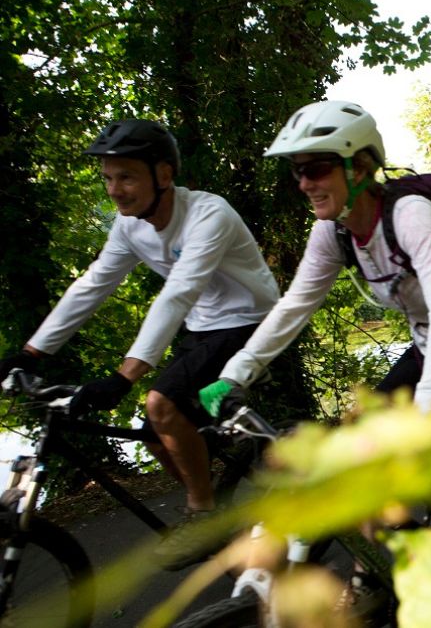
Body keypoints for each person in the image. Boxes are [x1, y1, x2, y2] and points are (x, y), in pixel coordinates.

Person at [200, 100, 431, 534]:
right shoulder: (333, 230)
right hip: (429, 348)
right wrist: (236, 373)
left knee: (430, 478)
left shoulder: (412, 215)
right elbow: (296, 304)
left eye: (315, 169)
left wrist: (428, 412)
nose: (304, 183)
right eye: (297, 171)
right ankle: (373, 577)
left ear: (357, 167)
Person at [0, 119, 280, 569]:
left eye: (126, 176)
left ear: (164, 174)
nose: (114, 189)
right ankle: (205, 500)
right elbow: (93, 284)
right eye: (108, 177)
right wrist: (32, 352)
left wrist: (123, 375)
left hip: (251, 320)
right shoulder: (130, 227)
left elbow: (179, 291)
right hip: (203, 326)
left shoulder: (209, 213)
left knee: (160, 403)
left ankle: (203, 517)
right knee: (155, 434)